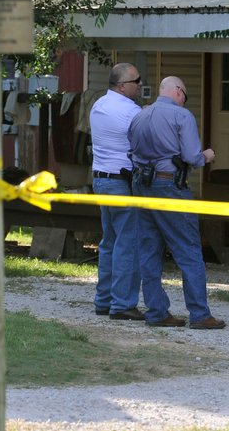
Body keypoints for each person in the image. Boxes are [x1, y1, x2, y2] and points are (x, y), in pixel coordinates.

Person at [127, 76, 225, 329]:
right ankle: (200, 314)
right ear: (179, 92)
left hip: (141, 185)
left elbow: (133, 150)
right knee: (189, 249)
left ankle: (157, 312)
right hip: (169, 186)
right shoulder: (182, 116)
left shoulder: (140, 115)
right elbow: (192, 156)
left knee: (148, 250)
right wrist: (206, 156)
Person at [90, 63, 144, 320]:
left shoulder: (98, 105)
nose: (140, 85)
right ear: (123, 86)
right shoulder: (132, 112)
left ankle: (104, 299)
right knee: (127, 244)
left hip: (101, 180)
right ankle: (122, 304)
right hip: (122, 183)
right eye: (137, 81)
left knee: (109, 242)